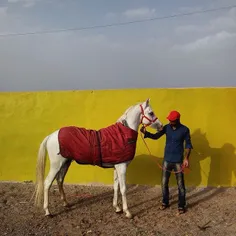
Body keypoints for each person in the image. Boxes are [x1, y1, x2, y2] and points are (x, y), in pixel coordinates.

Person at [140, 110, 193, 215]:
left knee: (181, 185)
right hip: (166, 160)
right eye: (169, 120)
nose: (170, 122)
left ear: (178, 120)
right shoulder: (166, 128)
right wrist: (146, 133)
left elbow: (188, 145)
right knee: (164, 183)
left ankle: (181, 205)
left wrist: (186, 158)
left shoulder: (185, 130)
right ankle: (165, 202)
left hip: (178, 161)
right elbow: (156, 136)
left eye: (172, 120)